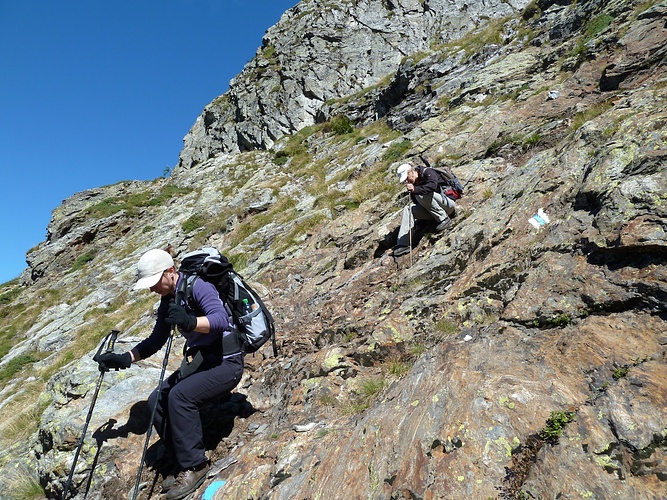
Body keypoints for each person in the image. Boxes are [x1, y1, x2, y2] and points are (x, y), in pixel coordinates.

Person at [96, 248, 244, 500]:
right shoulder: (168, 301)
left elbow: (219, 321)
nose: (153, 289)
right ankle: (179, 459)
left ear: (171, 272)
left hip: (226, 362)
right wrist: (125, 358)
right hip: (202, 362)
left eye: (155, 282)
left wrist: (189, 322)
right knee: (157, 401)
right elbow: (156, 340)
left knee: (180, 397)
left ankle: (196, 465)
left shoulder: (199, 287)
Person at [392, 162, 456, 257]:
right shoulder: (415, 183)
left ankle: (444, 219)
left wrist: (415, 190)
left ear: (411, 172)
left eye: (406, 178)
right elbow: (418, 203)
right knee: (408, 209)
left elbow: (432, 186)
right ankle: (403, 244)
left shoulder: (428, 172)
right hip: (433, 210)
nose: (406, 182)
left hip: (448, 205)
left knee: (421, 195)